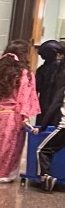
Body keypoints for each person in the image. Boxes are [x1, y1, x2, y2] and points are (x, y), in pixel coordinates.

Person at [0, 39, 40, 184]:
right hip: (13, 115)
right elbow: (23, 97)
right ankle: (2, 174)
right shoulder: (24, 74)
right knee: (10, 147)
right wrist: (24, 117)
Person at [35, 58, 65, 191]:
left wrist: (42, 127)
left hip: (63, 128)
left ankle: (45, 178)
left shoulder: (62, 90)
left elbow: (53, 108)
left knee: (42, 150)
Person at [35, 39, 64, 126]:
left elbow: (36, 89)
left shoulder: (41, 70)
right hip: (59, 108)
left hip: (43, 107)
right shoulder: (61, 70)